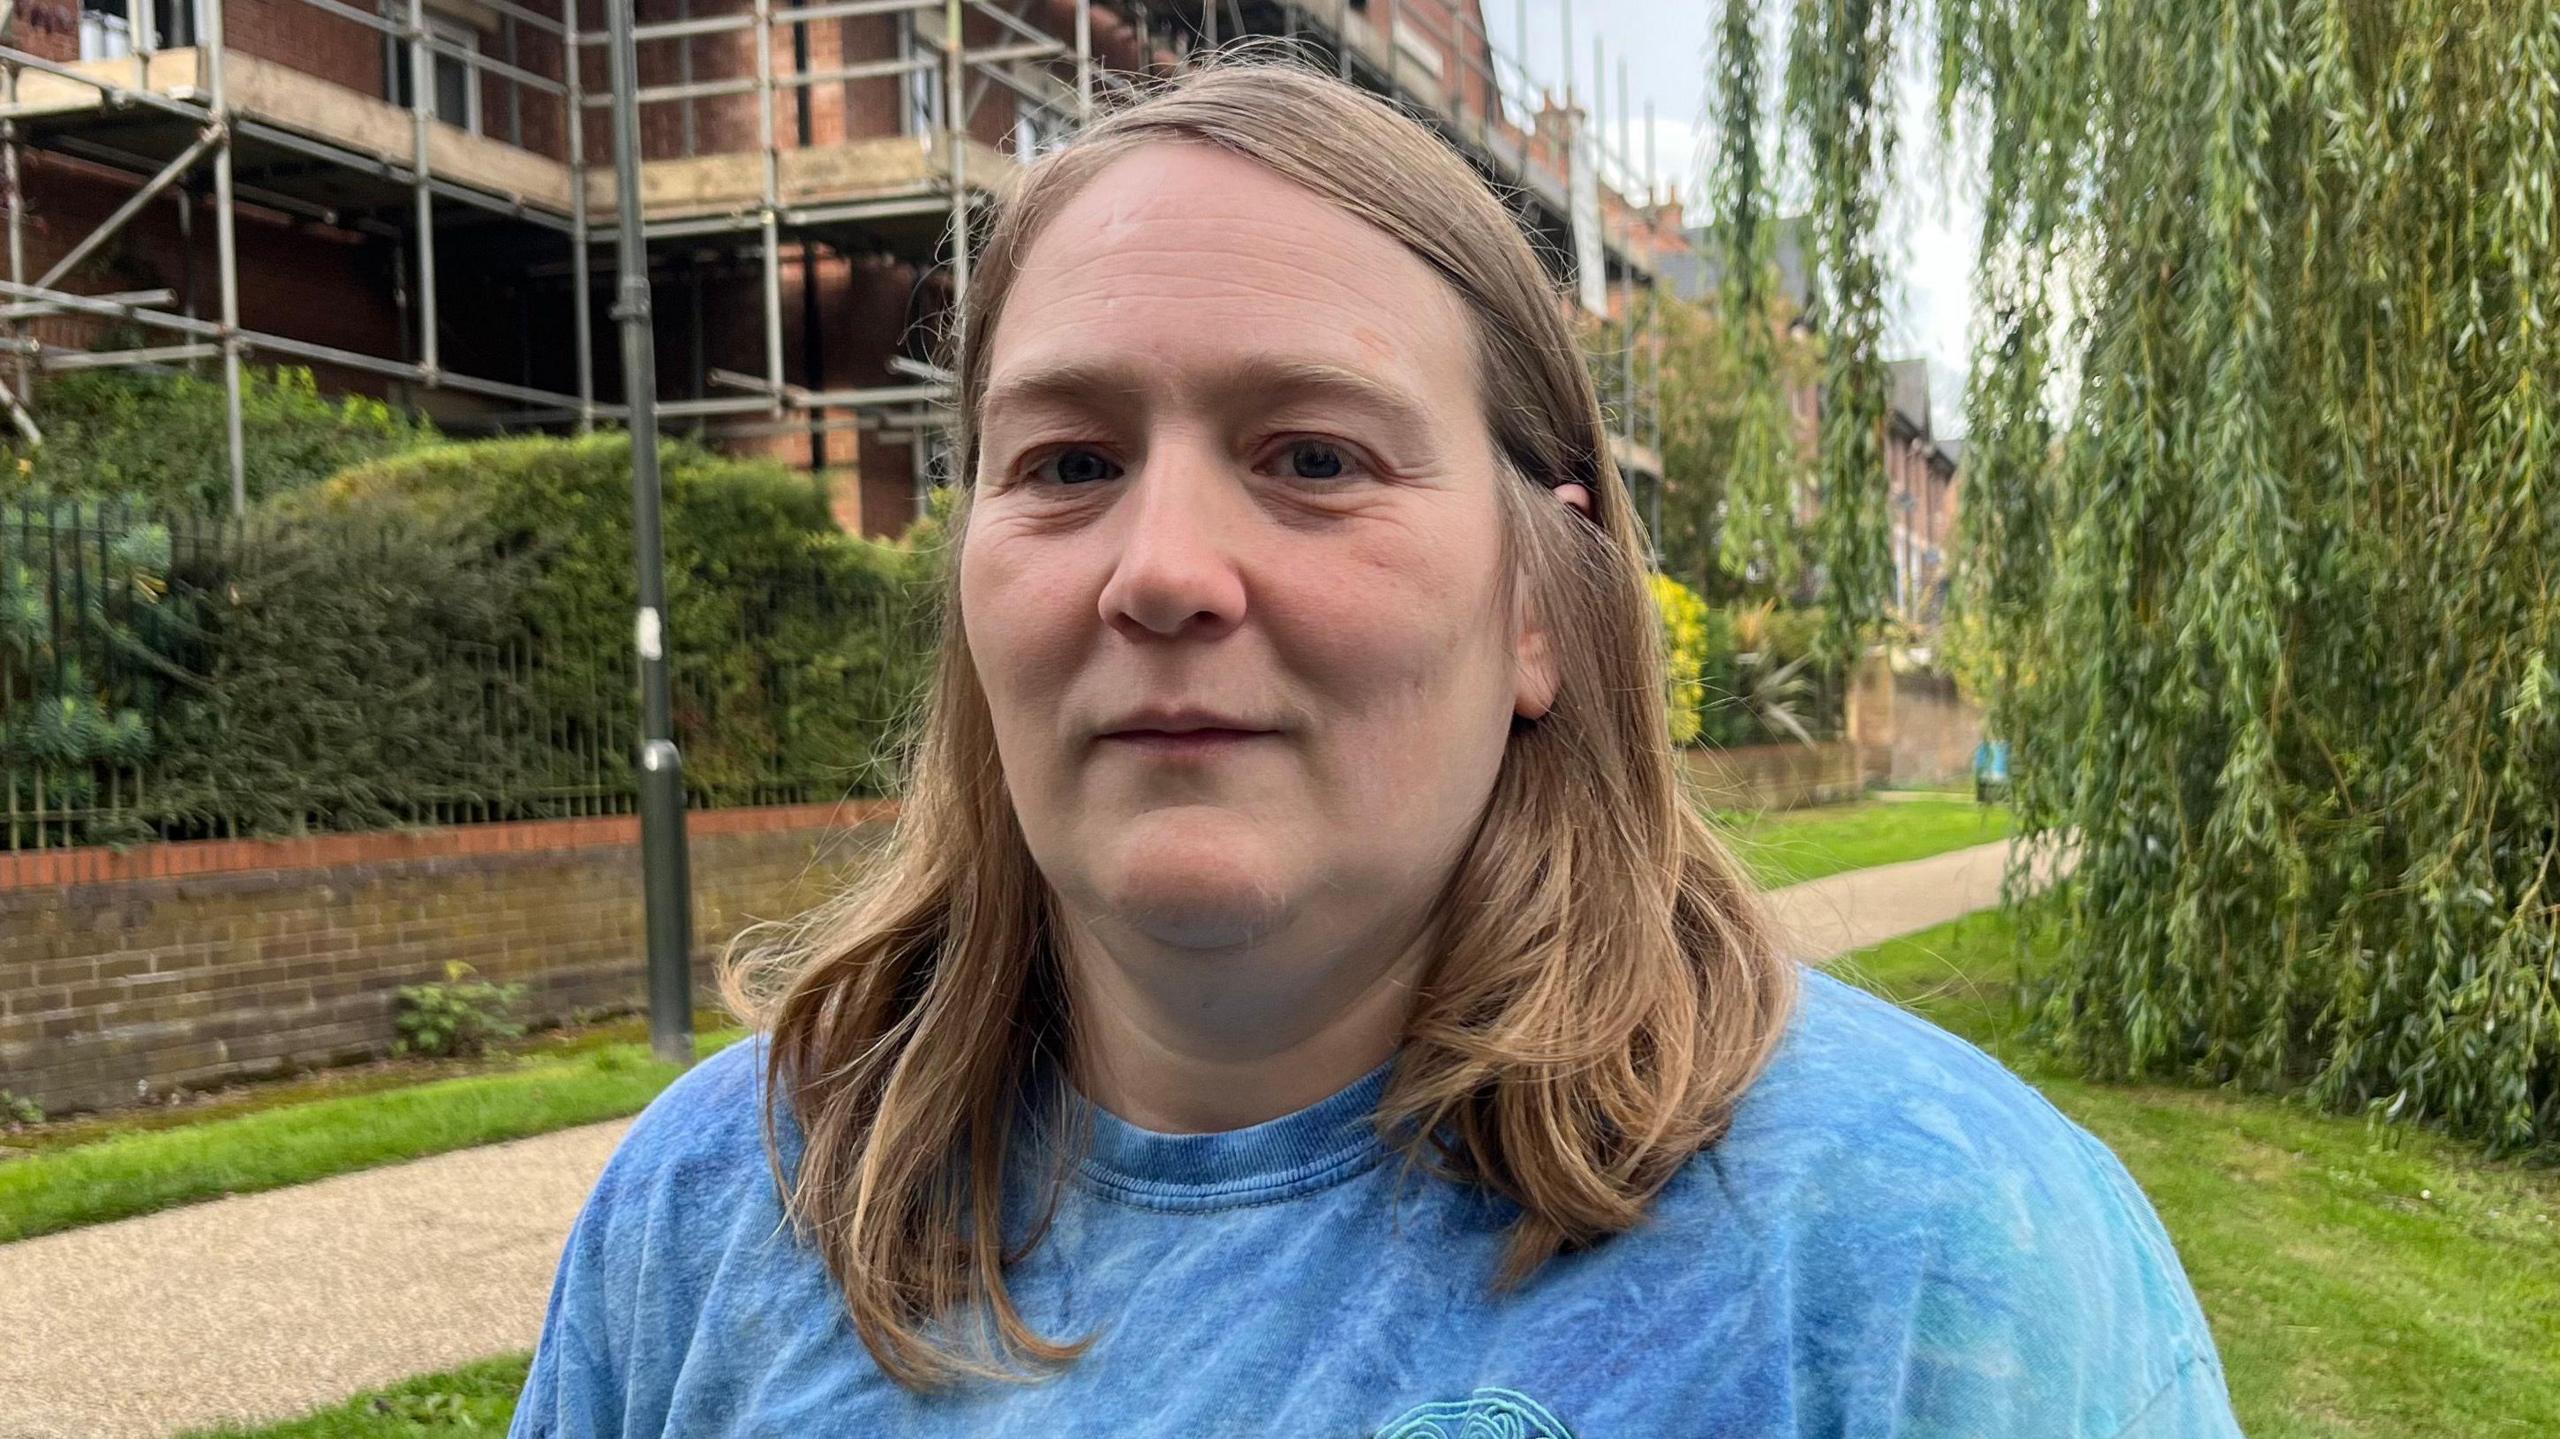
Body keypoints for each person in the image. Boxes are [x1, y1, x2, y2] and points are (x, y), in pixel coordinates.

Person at [508, 59, 2239, 1439]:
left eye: (1316, 457)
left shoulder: (1930, 1261)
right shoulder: (712, 1215)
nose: (1163, 569)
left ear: (1542, 604)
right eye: (1066, 463)